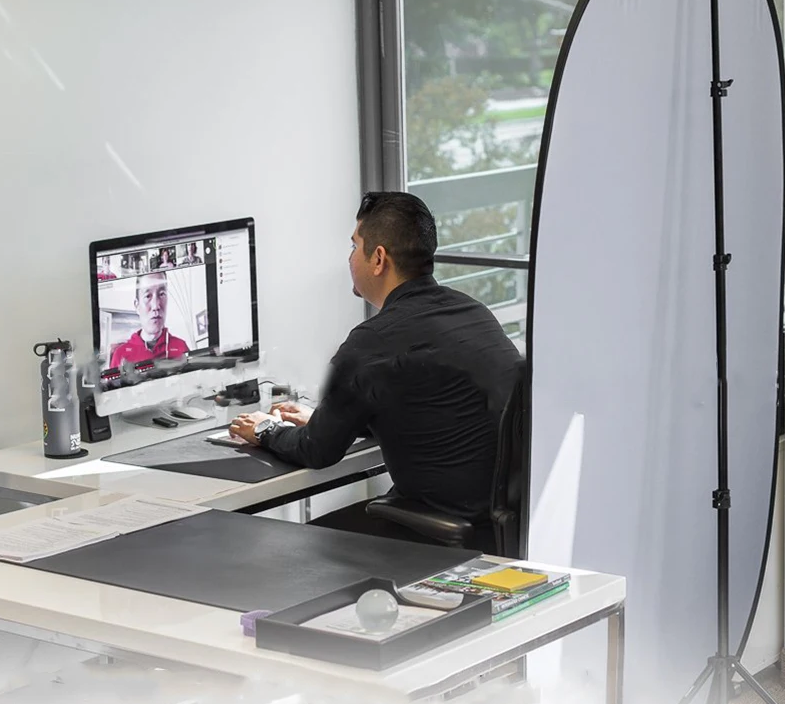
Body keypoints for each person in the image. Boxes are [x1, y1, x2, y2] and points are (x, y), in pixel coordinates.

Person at [229, 192, 523, 551]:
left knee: (289, 548)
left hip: (439, 529)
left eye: (355, 246)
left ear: (379, 258)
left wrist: (265, 429)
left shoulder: (371, 343)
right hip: (500, 524)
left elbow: (316, 451)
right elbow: (432, 406)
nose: (350, 257)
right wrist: (327, 419)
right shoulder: (472, 312)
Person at [109, 271, 190, 367]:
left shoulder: (181, 347)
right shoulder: (121, 355)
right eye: (147, 296)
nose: (156, 306)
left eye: (162, 294)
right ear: (137, 306)